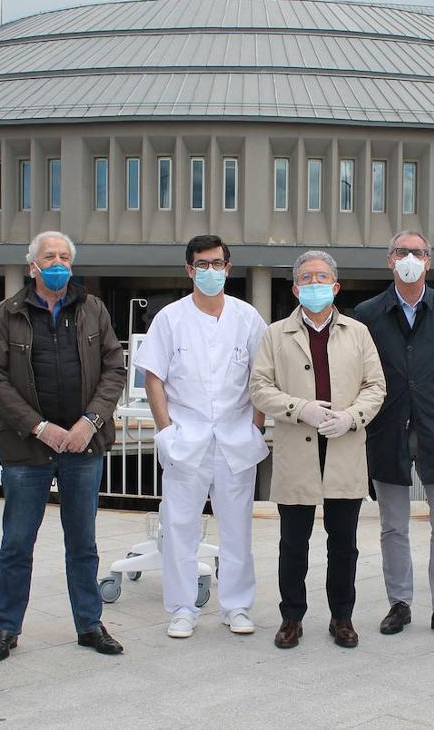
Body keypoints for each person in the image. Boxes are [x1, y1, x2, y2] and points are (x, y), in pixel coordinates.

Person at [0, 231, 126, 660]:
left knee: (82, 543)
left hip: (84, 447)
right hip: (28, 450)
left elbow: (114, 370)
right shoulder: (5, 315)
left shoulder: (93, 309)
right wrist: (39, 427)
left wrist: (89, 422)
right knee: (16, 544)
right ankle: (6, 629)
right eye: (50, 256)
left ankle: (89, 624)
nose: (58, 262)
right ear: (33, 266)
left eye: (64, 256)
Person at [133, 235, 269, 639]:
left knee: (237, 529)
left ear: (229, 268)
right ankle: (181, 608)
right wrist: (166, 430)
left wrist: (256, 427)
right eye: (202, 265)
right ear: (190, 270)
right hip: (185, 440)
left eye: (218, 264)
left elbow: (261, 378)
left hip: (235, 439)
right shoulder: (170, 319)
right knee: (179, 528)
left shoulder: (248, 318)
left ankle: (237, 606)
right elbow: (153, 377)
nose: (211, 271)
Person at [249, 250, 386, 649]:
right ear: (294, 288)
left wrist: (352, 417)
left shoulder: (358, 332)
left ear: (336, 286)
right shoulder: (275, 334)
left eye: (322, 277)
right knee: (293, 543)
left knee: (344, 544)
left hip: (344, 448)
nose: (314, 284)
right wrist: (300, 409)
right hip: (298, 449)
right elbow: (260, 387)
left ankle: (341, 617)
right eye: (306, 278)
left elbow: (376, 386)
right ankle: (291, 617)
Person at [353, 231, 434, 644]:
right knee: (394, 526)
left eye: (418, 252)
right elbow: (361, 373)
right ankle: (400, 602)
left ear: (430, 260)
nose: (410, 258)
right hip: (387, 430)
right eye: (402, 252)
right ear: (390, 260)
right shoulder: (368, 312)